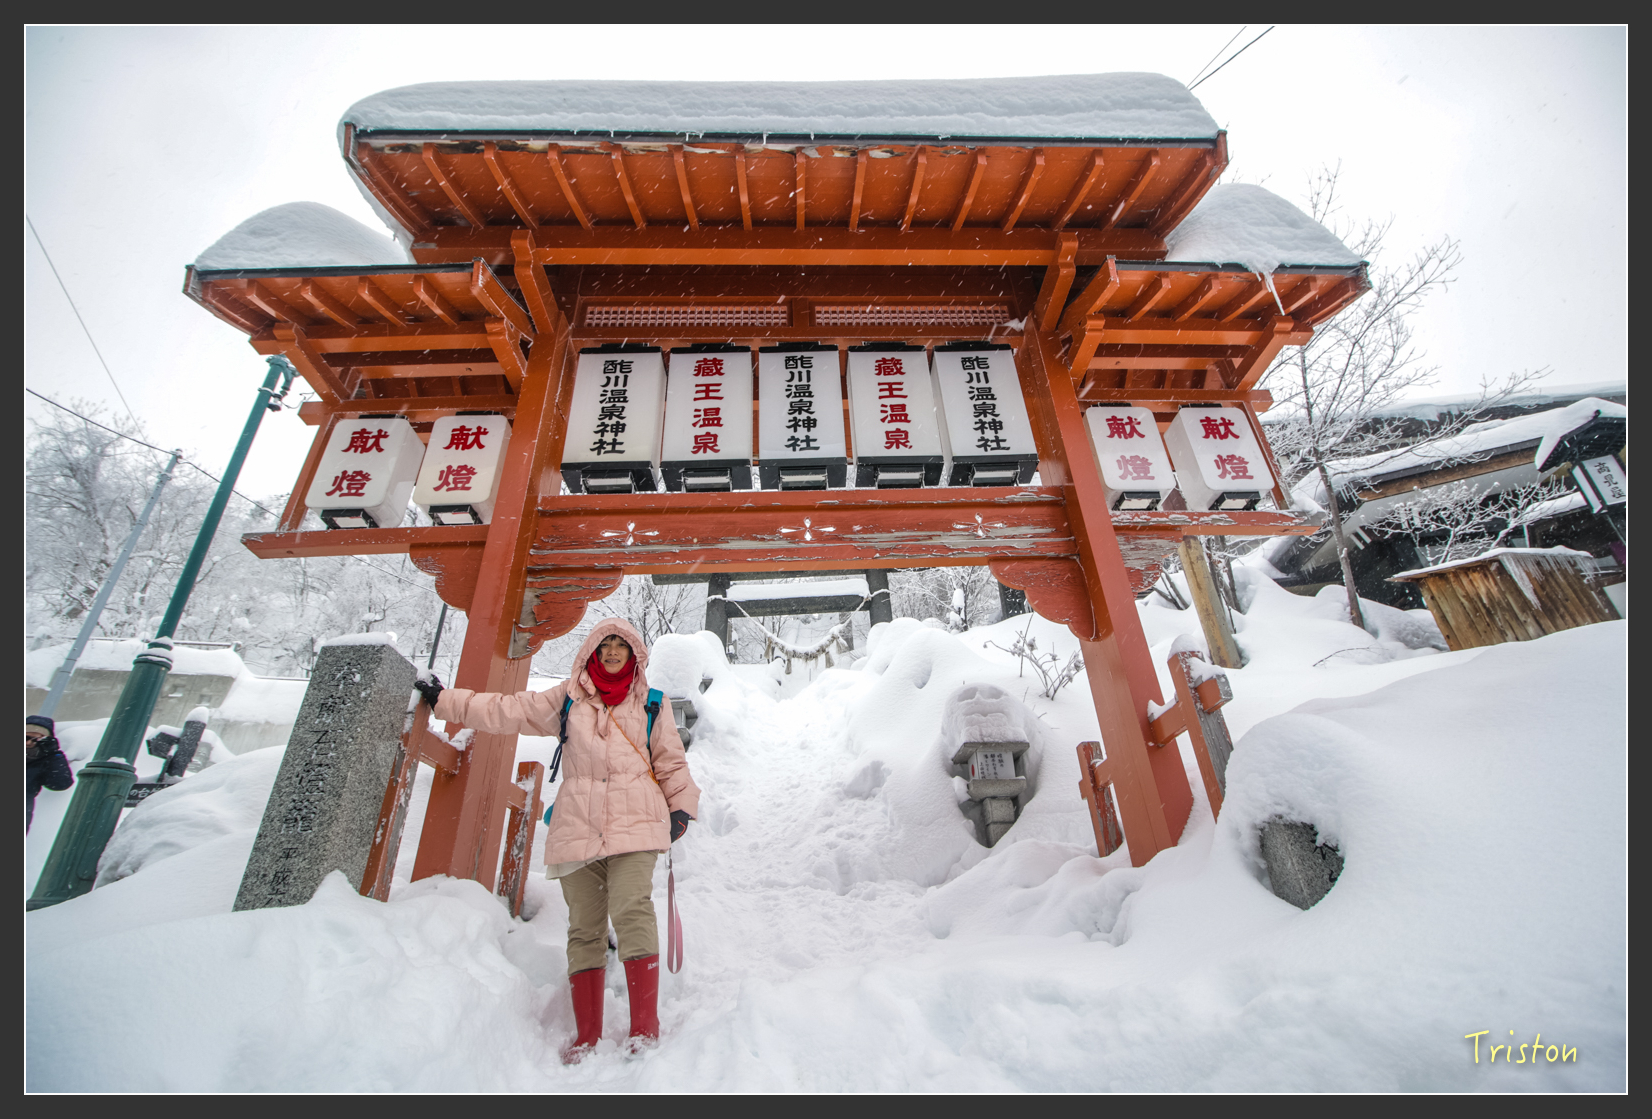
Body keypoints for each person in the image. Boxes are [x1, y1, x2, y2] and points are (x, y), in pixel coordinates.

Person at [413, 618, 699, 1062]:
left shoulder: (652, 704)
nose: (611, 652)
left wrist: (681, 807)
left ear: (634, 654)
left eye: (620, 645)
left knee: (631, 907)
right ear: (591, 652)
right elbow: (509, 709)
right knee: (584, 926)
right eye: (604, 645)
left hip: (636, 822)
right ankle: (587, 1035)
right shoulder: (567, 699)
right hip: (577, 826)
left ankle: (645, 1026)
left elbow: (671, 761)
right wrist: (445, 701)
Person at [26, 715, 74, 832]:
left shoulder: (45, 760)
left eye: (36, 740)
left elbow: (61, 783)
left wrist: (53, 754)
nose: (28, 743)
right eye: (26, 737)